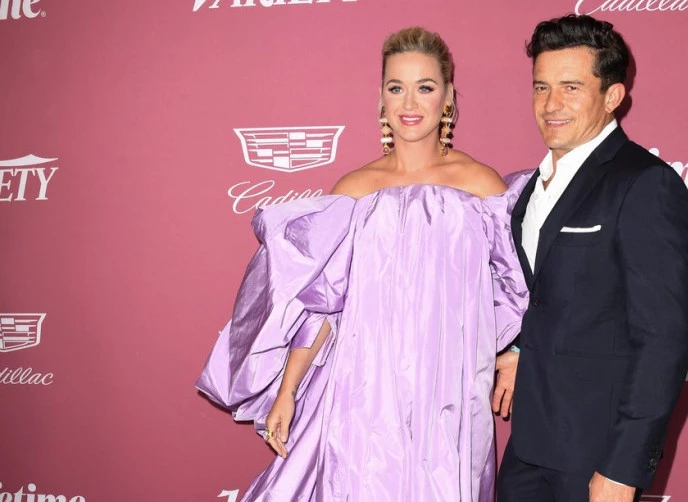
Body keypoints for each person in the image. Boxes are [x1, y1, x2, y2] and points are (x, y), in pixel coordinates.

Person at [196, 27, 530, 502]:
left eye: (425, 87)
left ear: (448, 98)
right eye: (396, 87)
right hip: (364, 393)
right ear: (381, 99)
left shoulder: (481, 188)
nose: (409, 103)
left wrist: (513, 350)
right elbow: (323, 306)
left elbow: (518, 288)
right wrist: (288, 389)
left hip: (450, 395)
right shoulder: (353, 191)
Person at [493, 14, 688, 502]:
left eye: (571, 88)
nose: (551, 104)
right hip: (529, 445)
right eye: (541, 87)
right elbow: (544, 293)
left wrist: (623, 469)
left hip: (597, 452)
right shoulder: (527, 190)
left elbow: (663, 339)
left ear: (612, 96)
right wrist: (518, 348)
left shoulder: (645, 184)